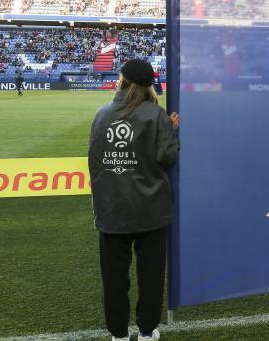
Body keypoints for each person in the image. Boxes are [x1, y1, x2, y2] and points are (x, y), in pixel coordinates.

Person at [88, 58, 179, 341]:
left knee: (114, 278)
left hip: (112, 208)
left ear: (123, 80)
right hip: (150, 208)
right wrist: (171, 133)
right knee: (151, 275)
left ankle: (118, 334)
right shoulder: (157, 116)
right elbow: (167, 158)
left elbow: (95, 162)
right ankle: (148, 330)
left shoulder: (102, 115)